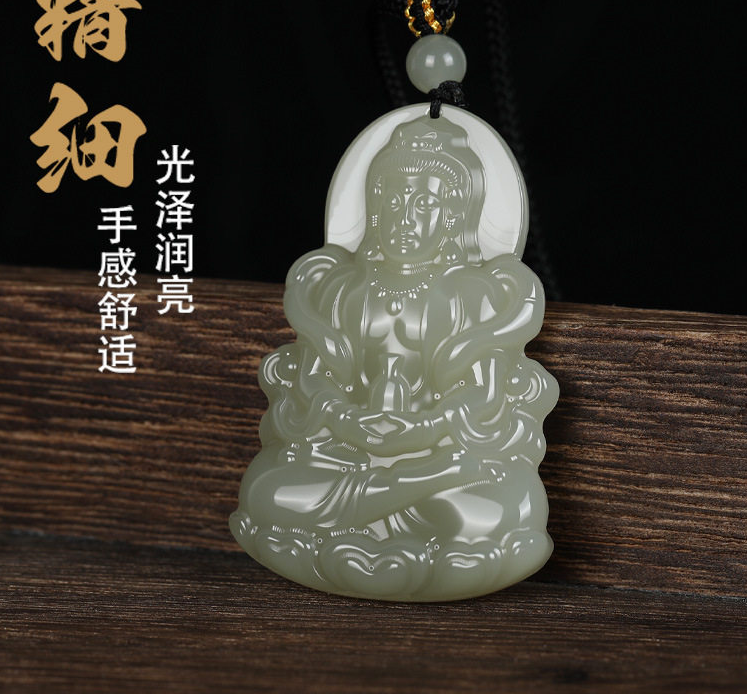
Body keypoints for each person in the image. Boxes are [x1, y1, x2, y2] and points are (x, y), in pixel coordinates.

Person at [231, 115, 558, 600]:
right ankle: (415, 483)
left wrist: (426, 428)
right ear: (374, 207)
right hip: (347, 452)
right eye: (393, 201)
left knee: (501, 508)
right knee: (268, 491)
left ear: (454, 215)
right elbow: (312, 377)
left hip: (440, 448)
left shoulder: (474, 294)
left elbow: (485, 393)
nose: (405, 218)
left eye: (425, 203)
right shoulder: (340, 288)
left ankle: (412, 486)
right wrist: (343, 419)